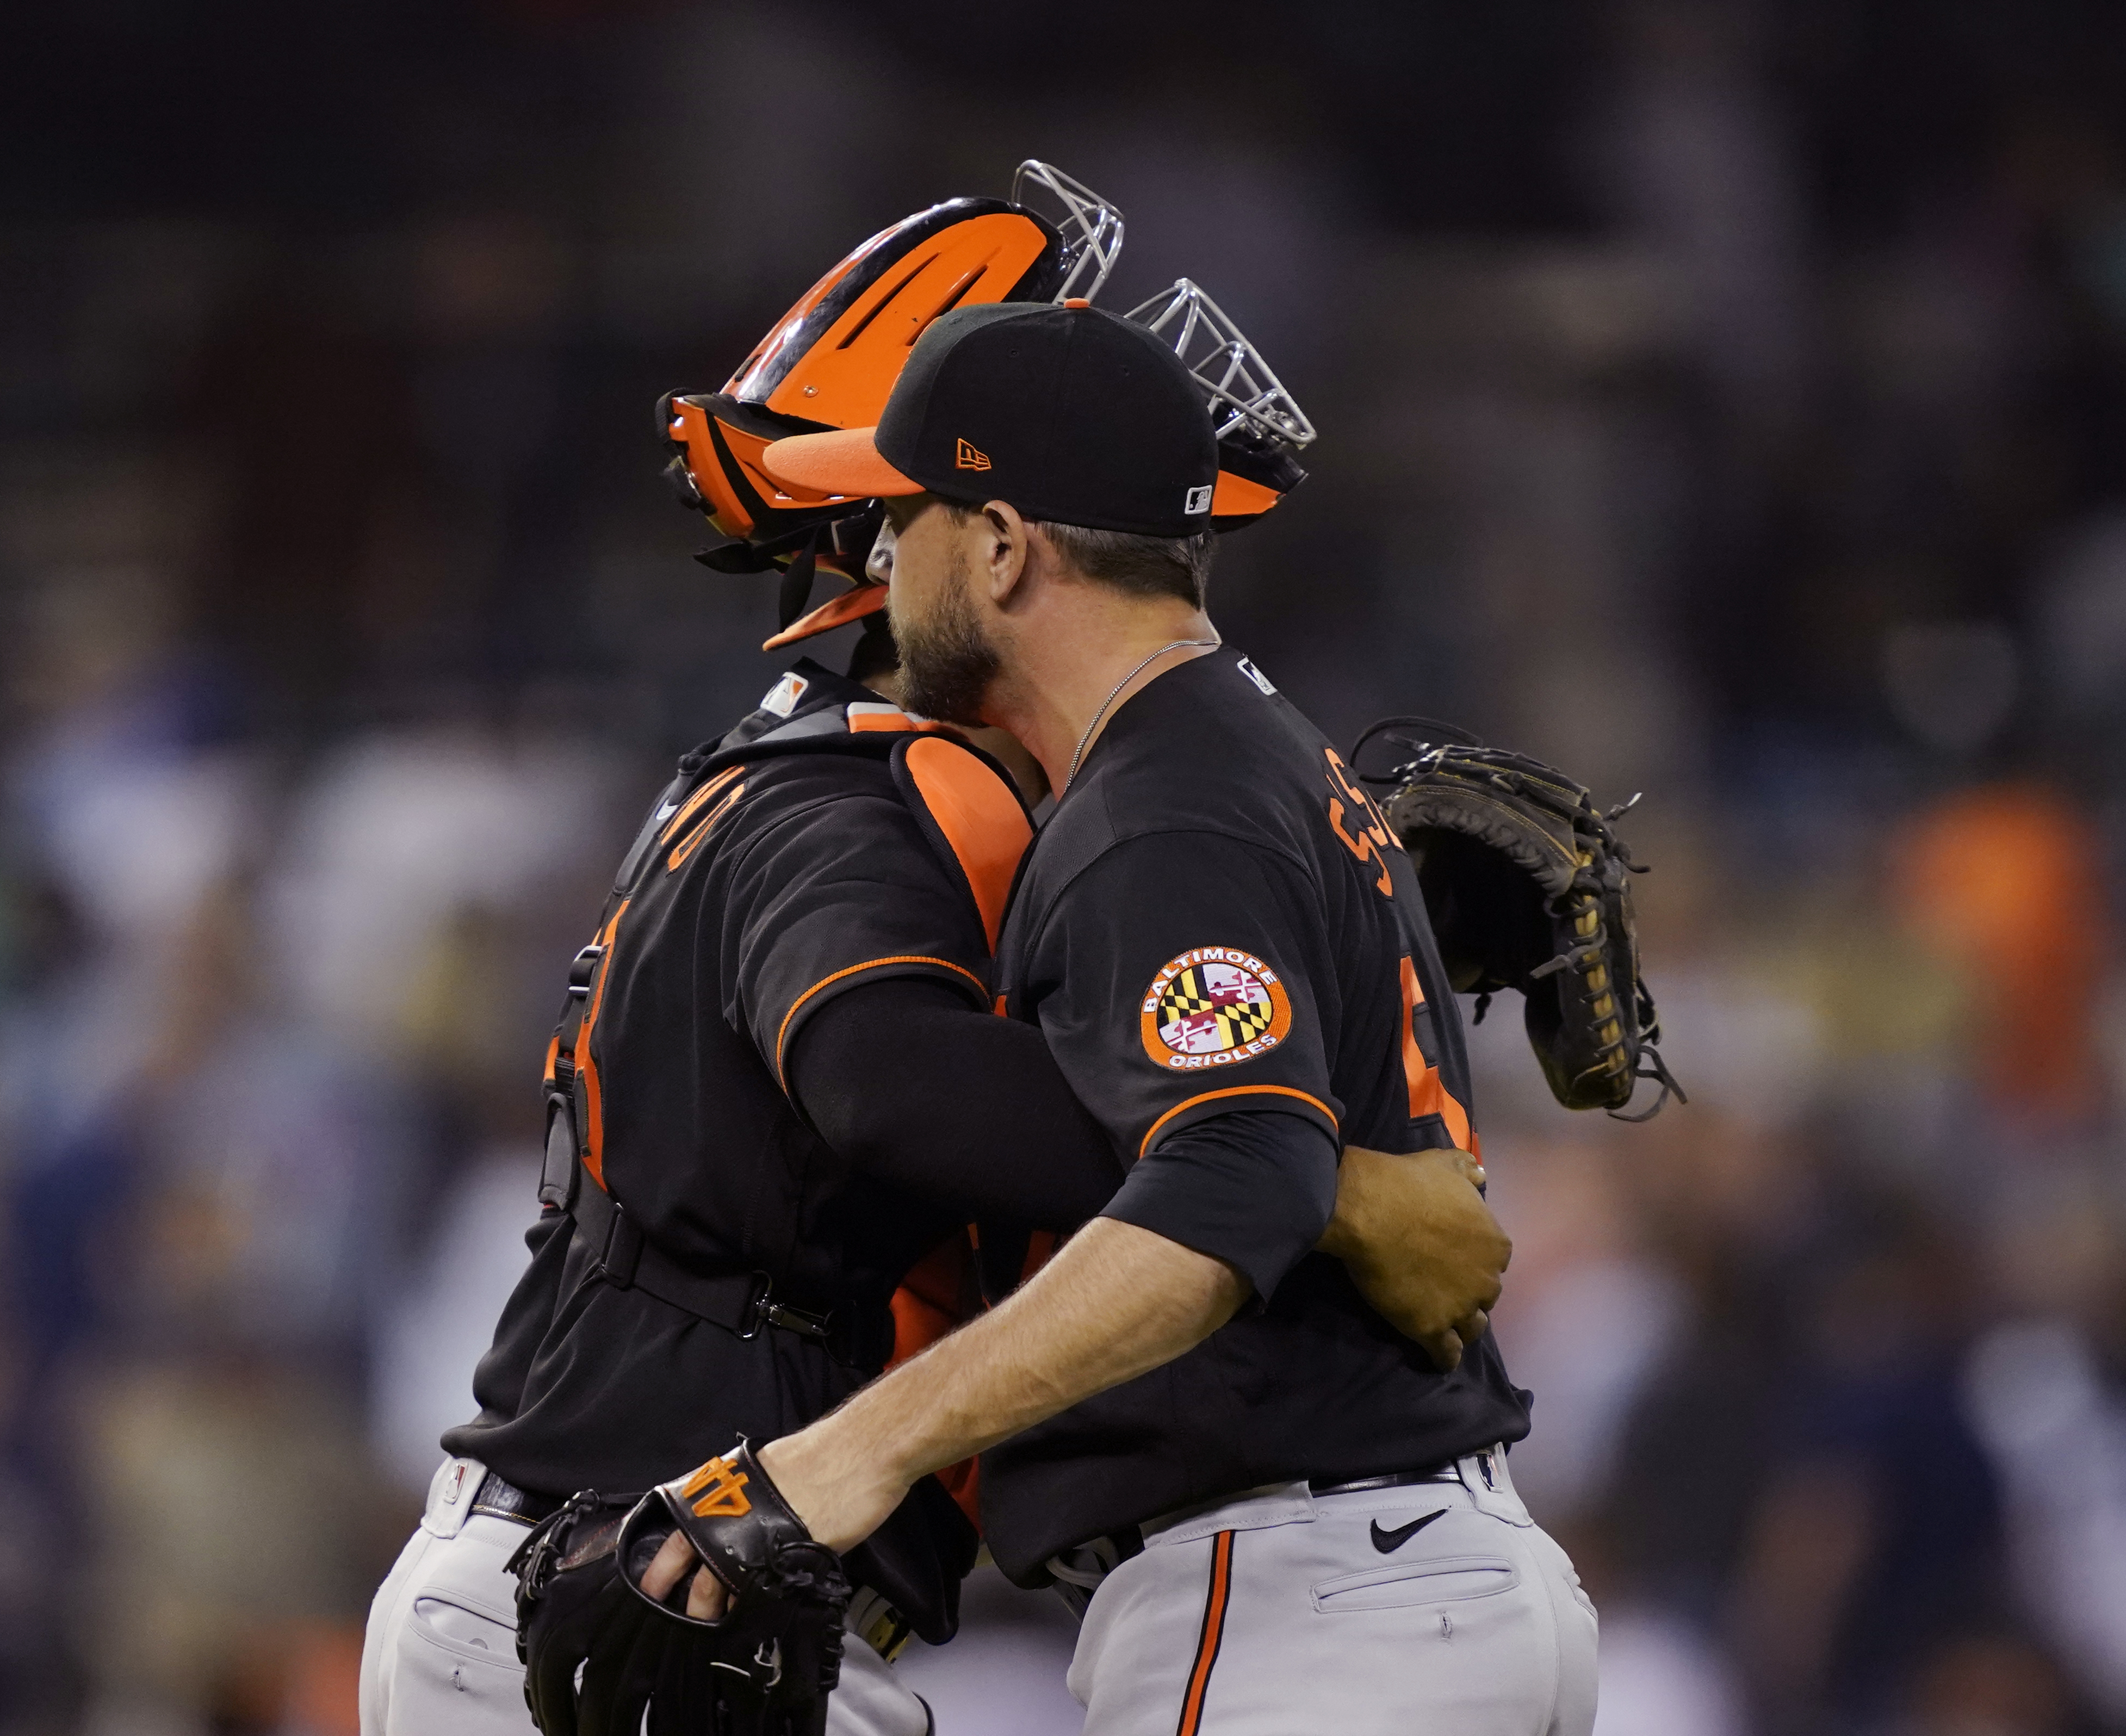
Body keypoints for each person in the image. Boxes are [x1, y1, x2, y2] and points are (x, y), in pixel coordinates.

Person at [360, 189, 1512, 1736]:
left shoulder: (915, 782)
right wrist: (1319, 1172)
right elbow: (886, 1084)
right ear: (958, 544)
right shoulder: (860, 798)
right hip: (628, 1581)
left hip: (667, 1579)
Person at [649, 298, 1598, 1735]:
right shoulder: (1256, 756)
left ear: (1004, 544)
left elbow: (1225, 1197)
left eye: (906, 517)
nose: (883, 561)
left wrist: (851, 1456)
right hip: (1406, 1579)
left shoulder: (1160, 812)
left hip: (1300, 1597)